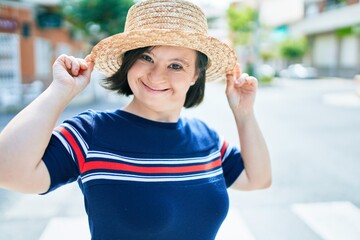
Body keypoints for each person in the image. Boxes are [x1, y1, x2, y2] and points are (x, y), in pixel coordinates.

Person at [0, 0, 271, 239]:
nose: (156, 75)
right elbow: (8, 171)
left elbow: (257, 179)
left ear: (195, 76)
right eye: (146, 57)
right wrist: (60, 92)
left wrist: (244, 114)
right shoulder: (91, 134)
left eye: (176, 65)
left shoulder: (206, 138)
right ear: (129, 61)